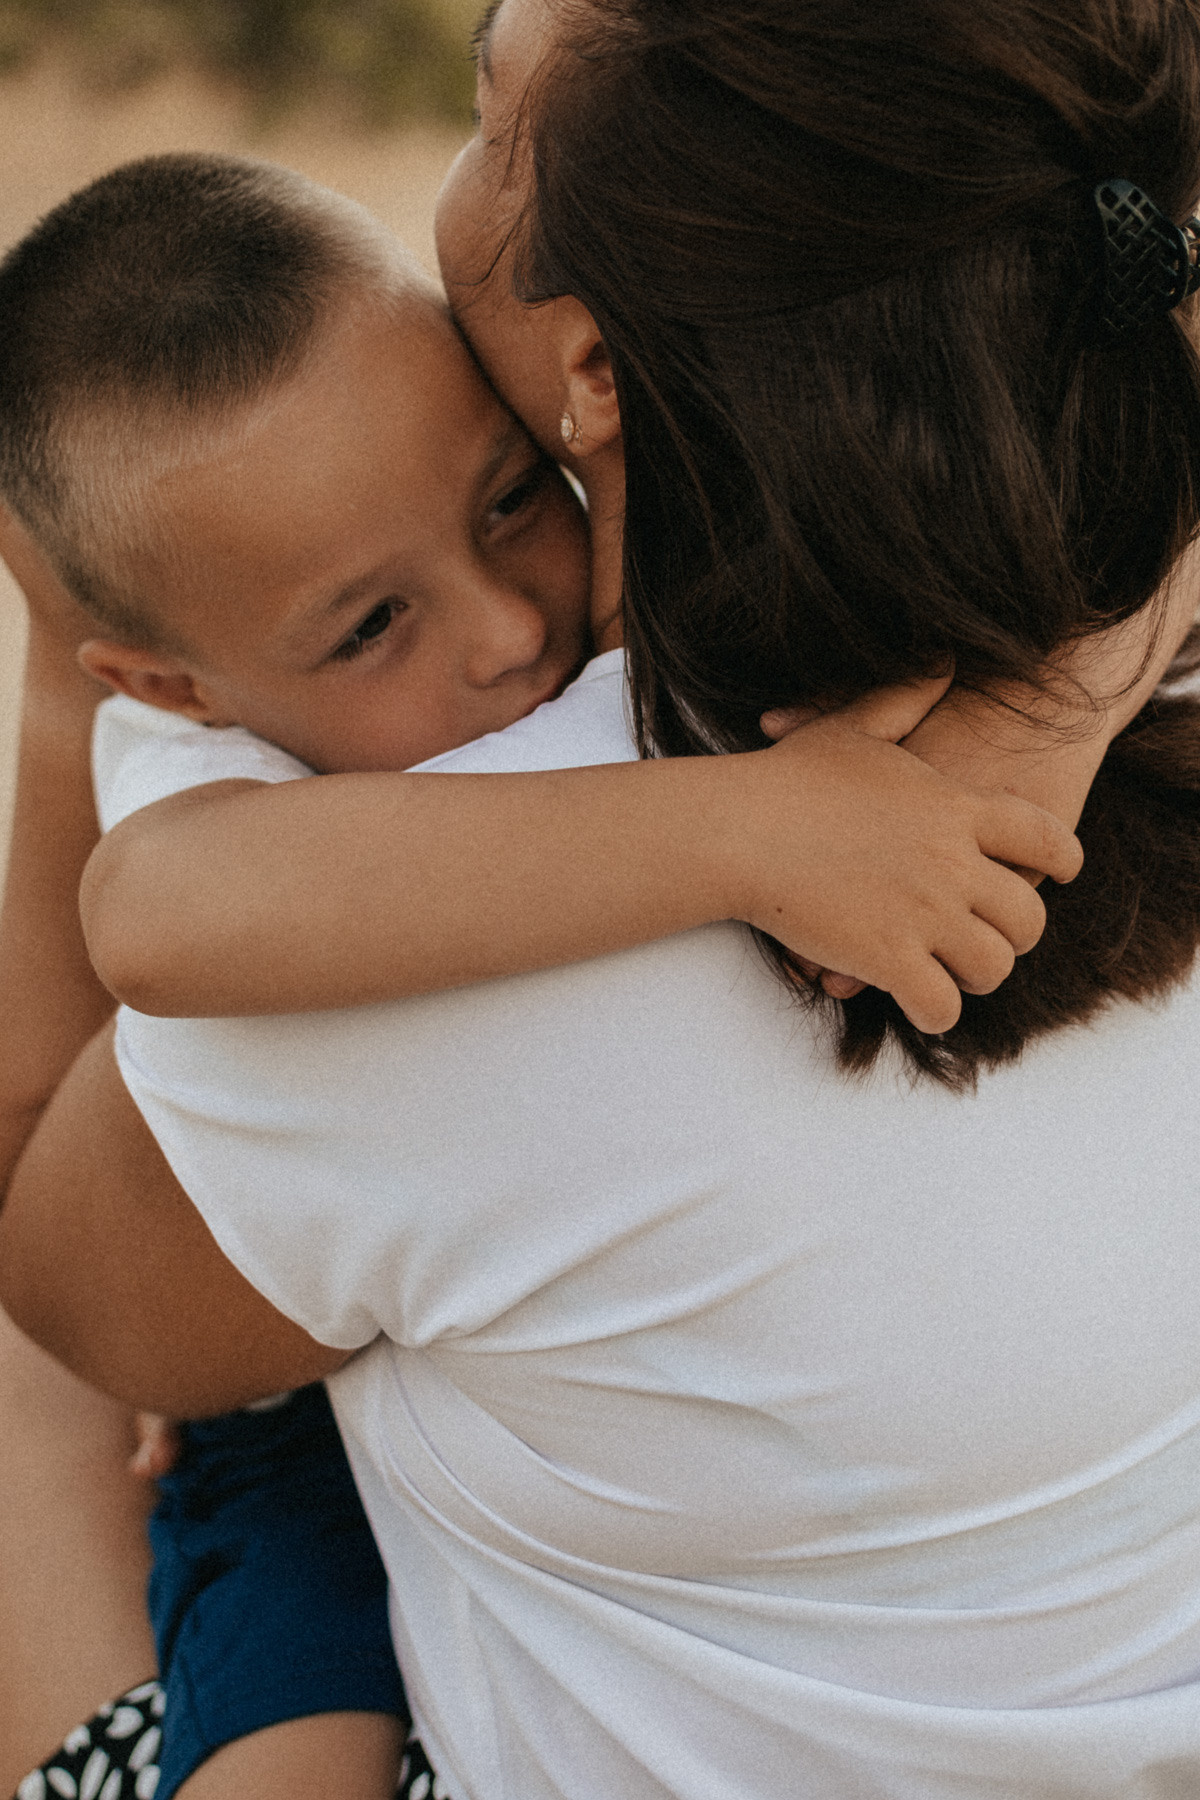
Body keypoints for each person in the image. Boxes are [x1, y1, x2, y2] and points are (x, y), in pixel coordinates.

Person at [6, 2, 1200, 1797]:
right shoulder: (1125, 627)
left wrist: (51, 707)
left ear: (588, 365)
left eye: (489, 106)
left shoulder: (435, 937)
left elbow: (69, 1284)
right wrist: (1069, 704)